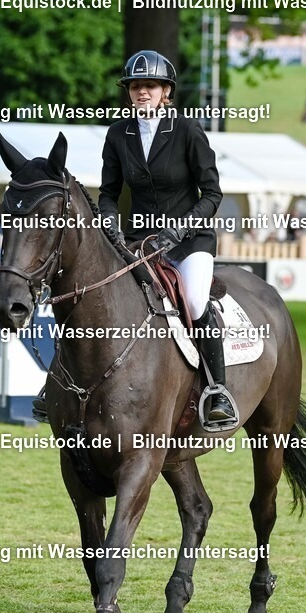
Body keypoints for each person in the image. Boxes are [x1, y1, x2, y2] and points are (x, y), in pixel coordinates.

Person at [98, 49, 237, 428]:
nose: (142, 92)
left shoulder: (188, 130)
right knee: (104, 298)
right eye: (136, 86)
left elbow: (212, 194)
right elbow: (108, 192)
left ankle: (216, 390)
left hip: (189, 241)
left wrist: (180, 228)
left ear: (166, 92)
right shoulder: (118, 133)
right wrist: (109, 222)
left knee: (192, 301)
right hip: (140, 241)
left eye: (150, 86)